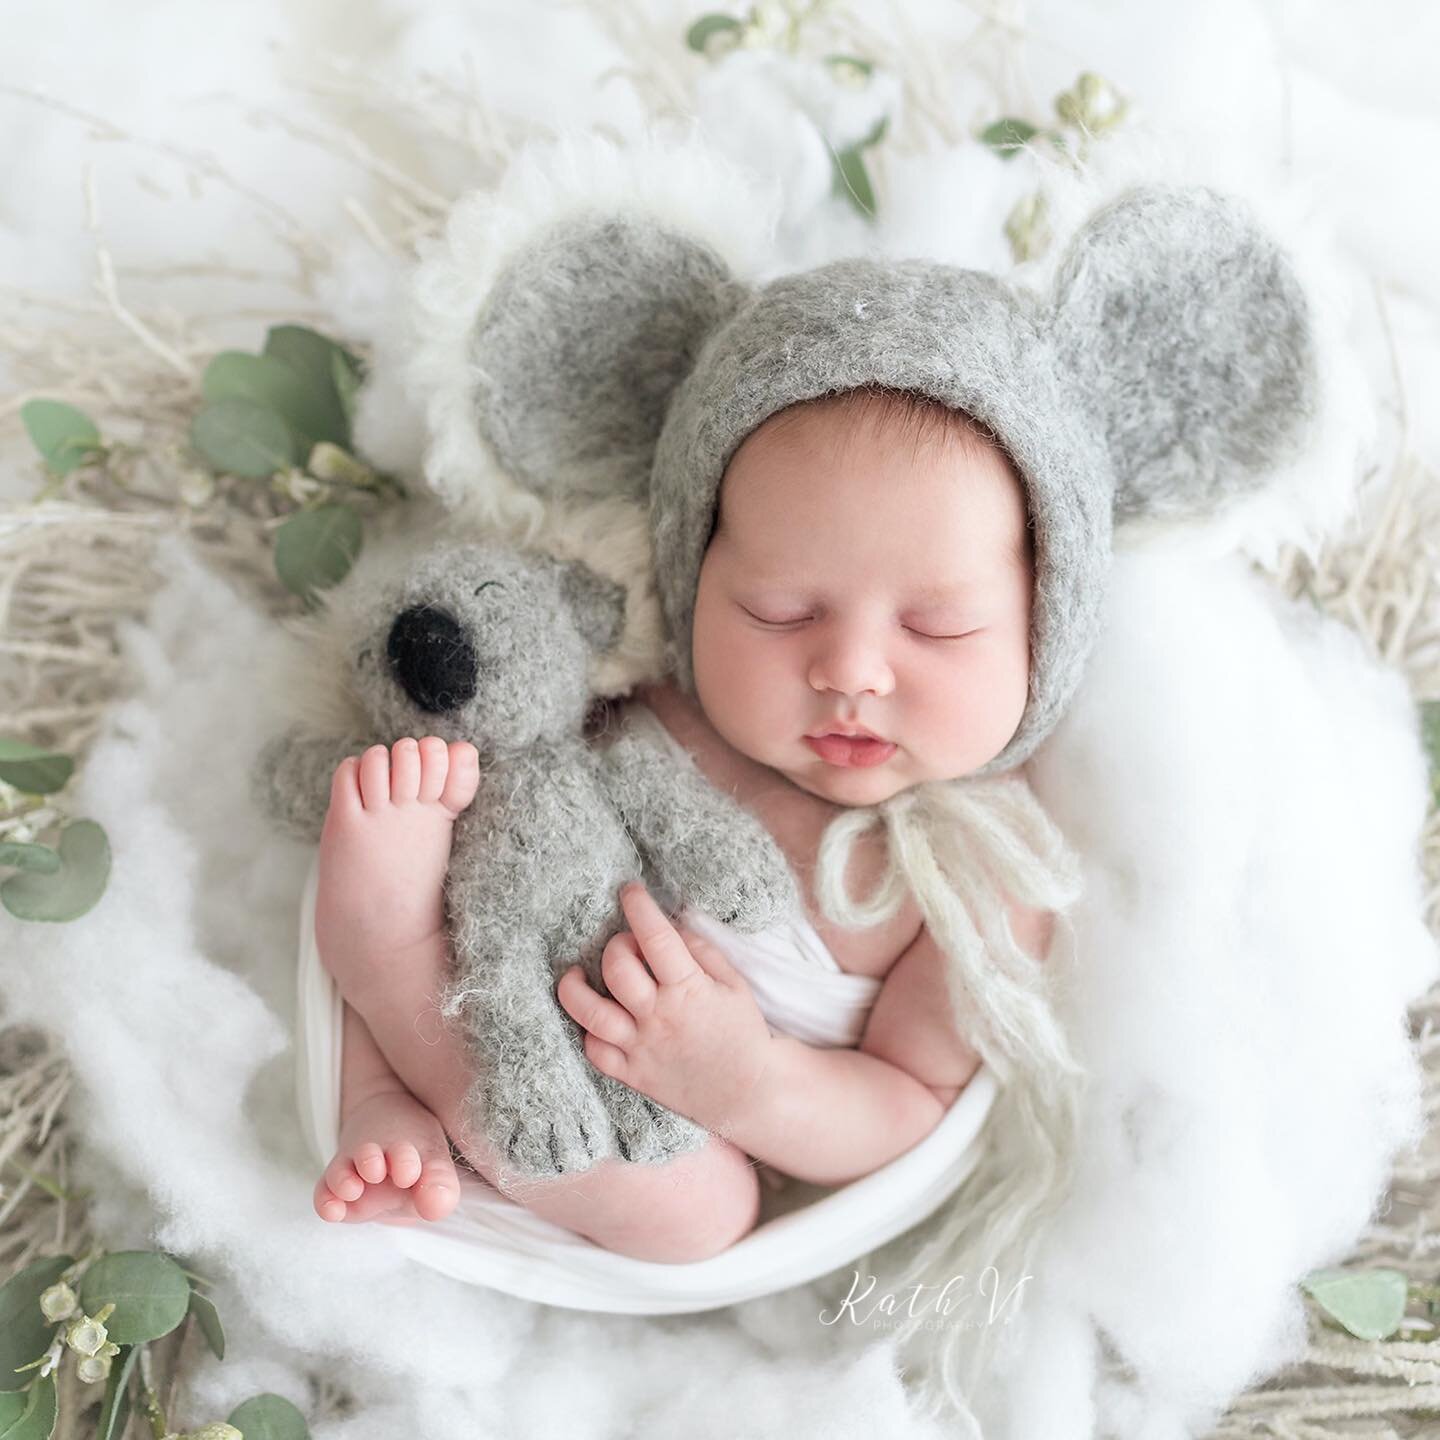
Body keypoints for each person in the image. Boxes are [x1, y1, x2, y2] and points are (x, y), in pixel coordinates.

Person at [308, 384, 1056, 1260]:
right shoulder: (658, 693)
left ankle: (393, 976)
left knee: (703, 1216)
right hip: (496, 934)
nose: (850, 672)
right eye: (780, 611)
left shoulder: (988, 878)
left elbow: (909, 1100)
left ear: (1040, 629)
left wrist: (748, 1084)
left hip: (666, 1122)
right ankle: (387, 1082)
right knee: (437, 799)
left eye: (939, 627)